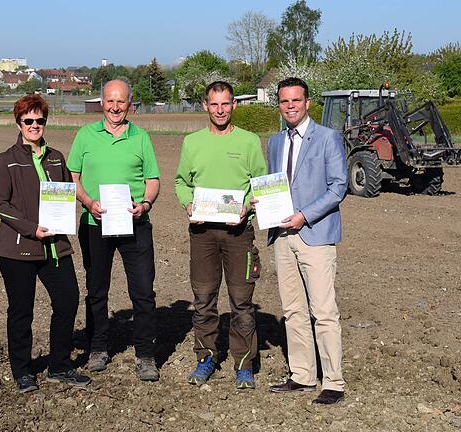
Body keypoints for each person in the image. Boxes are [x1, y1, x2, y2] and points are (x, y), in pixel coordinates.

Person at [0, 95, 91, 393]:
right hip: (18, 249)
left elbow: (64, 193)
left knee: (68, 300)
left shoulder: (57, 157)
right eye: (28, 121)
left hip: (55, 247)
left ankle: (59, 365)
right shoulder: (6, 159)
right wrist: (30, 228)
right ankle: (22, 370)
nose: (35, 126)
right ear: (18, 123)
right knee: (21, 310)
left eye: (40, 120)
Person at [67, 79, 161, 381]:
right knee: (96, 290)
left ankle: (145, 354)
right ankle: (97, 348)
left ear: (129, 103)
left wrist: (144, 204)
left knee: (143, 292)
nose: (115, 107)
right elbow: (73, 178)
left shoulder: (141, 137)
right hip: (96, 224)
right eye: (110, 101)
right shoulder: (85, 135)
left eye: (121, 101)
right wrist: (88, 202)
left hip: (135, 224)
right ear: (102, 102)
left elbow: (153, 181)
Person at [174, 81, 266, 389]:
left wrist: (246, 210)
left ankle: (243, 364)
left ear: (234, 105)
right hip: (202, 234)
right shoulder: (192, 143)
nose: (220, 110)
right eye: (214, 105)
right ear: (205, 106)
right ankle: (206, 358)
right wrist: (188, 203)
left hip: (238, 233)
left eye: (225, 104)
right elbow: (181, 182)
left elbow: (260, 183)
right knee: (203, 299)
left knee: (241, 300)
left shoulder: (250, 141)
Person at [264, 77, 347, 404]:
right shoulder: (274, 141)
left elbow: (339, 186)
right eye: (284, 101)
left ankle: (334, 382)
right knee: (293, 309)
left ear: (307, 102)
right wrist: (264, 204)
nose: (290, 106)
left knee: (323, 311)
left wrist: (305, 215)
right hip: (283, 236)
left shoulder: (327, 138)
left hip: (315, 235)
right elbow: (273, 184)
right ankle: (302, 375)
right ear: (279, 105)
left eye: (296, 100)